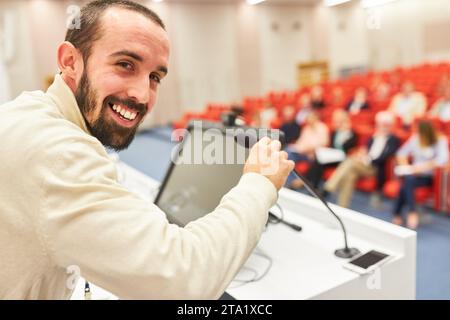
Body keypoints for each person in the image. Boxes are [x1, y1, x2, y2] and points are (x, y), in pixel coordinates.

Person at [0, 0, 294, 299]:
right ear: (70, 60)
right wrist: (260, 183)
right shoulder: (55, 151)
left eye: (155, 77)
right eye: (125, 64)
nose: (142, 95)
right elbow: (184, 279)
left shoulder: (28, 113)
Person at [323, 111, 400, 208]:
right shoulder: (373, 137)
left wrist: (367, 159)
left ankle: (329, 187)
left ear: (390, 126)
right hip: (363, 164)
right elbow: (366, 149)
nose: (381, 128)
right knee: (350, 175)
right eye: (380, 125)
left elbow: (386, 156)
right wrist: (361, 155)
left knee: (350, 162)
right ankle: (342, 206)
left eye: (384, 125)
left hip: (375, 167)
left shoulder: (393, 139)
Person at [392, 120, 449, 229]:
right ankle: (411, 212)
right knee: (408, 180)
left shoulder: (440, 140)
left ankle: (398, 213)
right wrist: (405, 164)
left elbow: (443, 159)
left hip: (428, 176)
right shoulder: (415, 138)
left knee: (406, 183)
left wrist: (423, 167)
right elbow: (401, 153)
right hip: (412, 174)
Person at [292, 110, 357, 191]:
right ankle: (312, 186)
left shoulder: (351, 133)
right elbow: (332, 146)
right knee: (320, 160)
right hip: (332, 156)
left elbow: (348, 147)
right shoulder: (335, 132)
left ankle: (304, 181)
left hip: (342, 158)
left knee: (320, 159)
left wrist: (345, 134)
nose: (337, 122)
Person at [285, 111, 329, 188]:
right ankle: (292, 180)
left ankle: (294, 181)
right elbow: (300, 141)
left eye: (310, 118)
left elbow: (324, 143)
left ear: (316, 118)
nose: (308, 120)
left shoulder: (322, 127)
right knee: (287, 152)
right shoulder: (306, 128)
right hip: (302, 152)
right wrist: (296, 146)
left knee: (289, 153)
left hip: (312, 154)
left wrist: (308, 148)